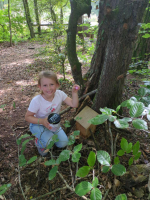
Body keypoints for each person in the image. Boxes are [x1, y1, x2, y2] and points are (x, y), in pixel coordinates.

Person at [25, 70, 80, 156]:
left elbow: (74, 104)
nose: (49, 88)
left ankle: (48, 137)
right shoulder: (37, 101)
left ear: (57, 85)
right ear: (40, 87)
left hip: (53, 124)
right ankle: (39, 142)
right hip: (38, 124)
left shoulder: (60, 94)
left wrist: (74, 93)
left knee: (63, 143)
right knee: (49, 142)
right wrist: (43, 121)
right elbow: (28, 117)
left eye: (51, 84)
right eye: (45, 85)